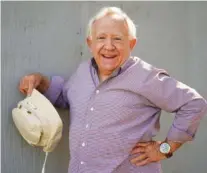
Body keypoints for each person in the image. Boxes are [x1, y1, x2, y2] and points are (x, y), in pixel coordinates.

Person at [18, 7, 207, 173]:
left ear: (131, 44)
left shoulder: (145, 76)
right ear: (90, 43)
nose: (109, 46)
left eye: (117, 38)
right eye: (101, 38)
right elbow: (67, 98)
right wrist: (40, 81)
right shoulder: (83, 72)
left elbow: (193, 103)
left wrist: (166, 148)